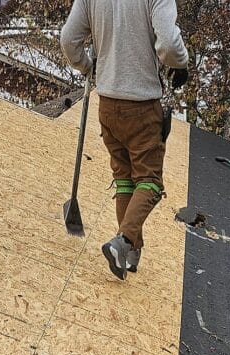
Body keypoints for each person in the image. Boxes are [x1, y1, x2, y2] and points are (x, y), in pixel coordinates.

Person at [60, 0, 188, 280]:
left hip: (107, 104)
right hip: (142, 106)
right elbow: (168, 43)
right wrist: (181, 62)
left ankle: (130, 254)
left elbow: (69, 40)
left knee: (126, 179)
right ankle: (123, 242)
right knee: (150, 182)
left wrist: (88, 67)